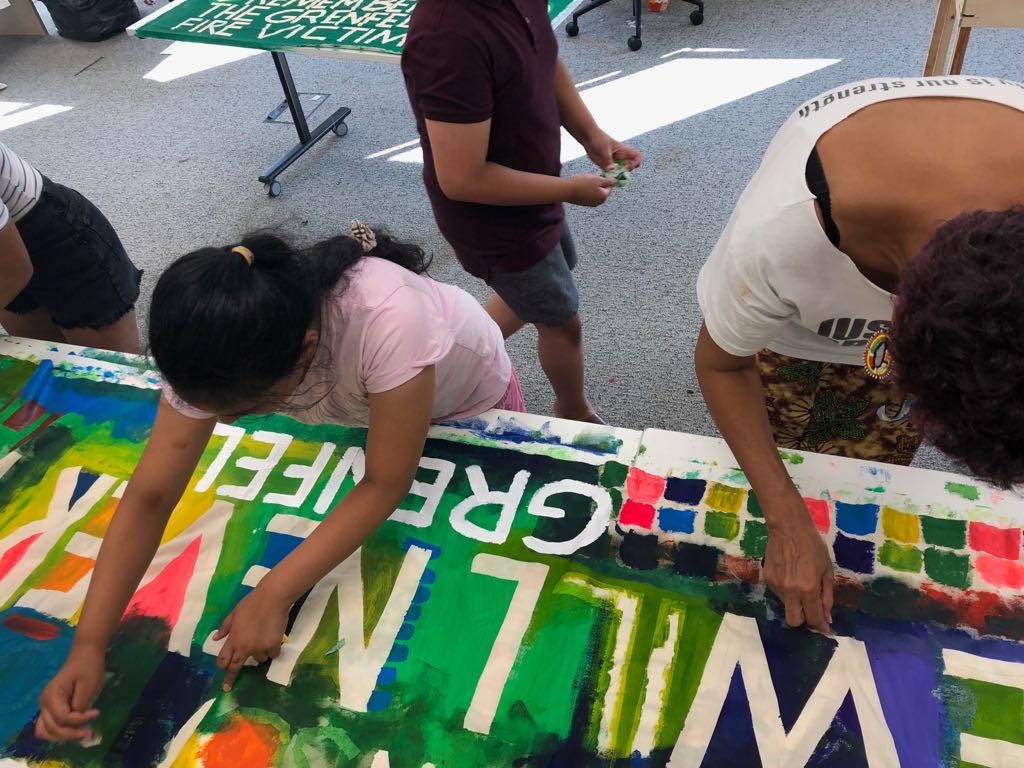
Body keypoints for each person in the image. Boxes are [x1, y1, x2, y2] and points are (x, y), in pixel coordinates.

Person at [34, 224, 524, 742]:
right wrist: (89, 643)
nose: (218, 423)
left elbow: (384, 482)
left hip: (471, 406)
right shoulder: (214, 345)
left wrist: (274, 591)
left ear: (307, 351)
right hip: (373, 405)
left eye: (242, 411)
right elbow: (151, 494)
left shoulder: (388, 319)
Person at [694, 75, 1024, 633]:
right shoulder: (777, 236)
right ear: (892, 317)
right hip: (789, 348)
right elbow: (723, 363)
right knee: (784, 466)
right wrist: (783, 513)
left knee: (864, 490)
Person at [401, 0, 641, 424]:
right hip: (492, 218)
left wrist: (591, 134)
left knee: (551, 275)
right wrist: (568, 189)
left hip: (532, 187)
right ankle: (573, 408)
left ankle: (456, 354)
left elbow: (543, 58)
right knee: (562, 321)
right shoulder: (447, 38)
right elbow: (462, 177)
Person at [0, 140, 140, 353]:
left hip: (58, 241)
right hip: (8, 247)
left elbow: (16, 269)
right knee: (40, 367)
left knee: (108, 376)